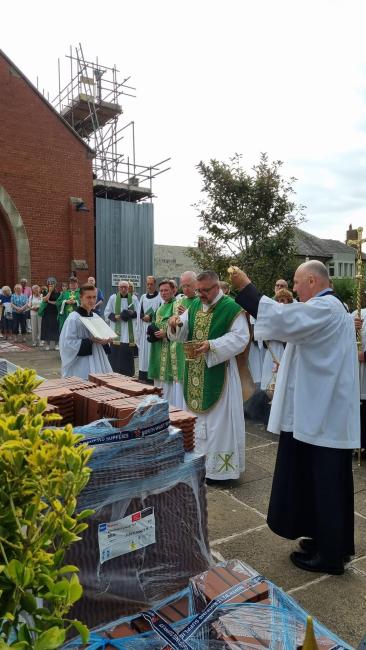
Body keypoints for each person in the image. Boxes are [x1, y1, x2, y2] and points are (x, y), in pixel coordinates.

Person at [231, 260, 360, 575]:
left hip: (322, 416)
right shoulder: (331, 309)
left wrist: (246, 288)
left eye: (298, 282)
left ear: (313, 281)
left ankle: (330, 557)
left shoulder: (325, 308)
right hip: (319, 413)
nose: (295, 287)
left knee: (327, 485)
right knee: (323, 483)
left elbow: (281, 317)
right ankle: (328, 542)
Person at [168, 270, 250, 480]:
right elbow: (183, 329)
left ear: (216, 288)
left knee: (217, 424)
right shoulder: (194, 304)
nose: (200, 294)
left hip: (219, 372)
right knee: (196, 421)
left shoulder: (231, 308)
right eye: (198, 290)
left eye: (204, 291)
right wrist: (175, 324)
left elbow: (241, 338)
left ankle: (218, 472)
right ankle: (198, 464)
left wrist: (212, 346)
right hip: (195, 371)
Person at [60, 283, 113, 380]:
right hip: (81, 364)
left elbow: (103, 336)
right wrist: (90, 340)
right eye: (88, 297)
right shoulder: (73, 318)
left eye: (94, 297)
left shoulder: (96, 317)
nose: (92, 300)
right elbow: (67, 344)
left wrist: (106, 340)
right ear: (81, 297)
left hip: (99, 360)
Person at [148, 279, 185, 407]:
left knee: (169, 386)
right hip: (158, 348)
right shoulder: (161, 307)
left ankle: (171, 409)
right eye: (161, 291)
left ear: (173, 291)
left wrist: (167, 333)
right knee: (159, 384)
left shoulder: (178, 304)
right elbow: (157, 323)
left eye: (166, 290)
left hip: (170, 348)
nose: (163, 293)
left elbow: (181, 324)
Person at [260, 288, 293, 392]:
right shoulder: (271, 316)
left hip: (285, 350)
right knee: (269, 378)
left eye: (282, 300)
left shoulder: (292, 316)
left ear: (289, 301)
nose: (279, 303)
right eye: (277, 300)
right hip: (271, 350)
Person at [104, 280, 139, 376]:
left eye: (125, 287)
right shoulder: (113, 298)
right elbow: (107, 313)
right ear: (118, 288)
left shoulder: (134, 299)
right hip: (116, 332)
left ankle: (128, 374)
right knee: (115, 354)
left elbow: (139, 313)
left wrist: (131, 314)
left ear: (128, 288)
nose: (123, 289)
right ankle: (114, 373)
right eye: (121, 287)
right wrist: (115, 317)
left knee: (127, 354)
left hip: (128, 333)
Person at [136, 276, 162, 382]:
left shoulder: (159, 297)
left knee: (152, 352)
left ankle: (152, 377)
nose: (149, 286)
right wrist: (143, 316)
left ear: (155, 284)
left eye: (151, 284)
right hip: (144, 329)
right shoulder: (143, 297)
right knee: (143, 353)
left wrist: (150, 317)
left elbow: (161, 310)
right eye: (148, 284)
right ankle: (143, 376)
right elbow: (139, 312)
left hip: (153, 328)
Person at [40, 278, 60, 351]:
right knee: (47, 328)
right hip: (47, 313)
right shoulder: (45, 292)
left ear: (55, 285)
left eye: (52, 284)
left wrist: (50, 302)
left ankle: (56, 344)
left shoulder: (58, 293)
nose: (50, 286)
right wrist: (50, 292)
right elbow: (45, 300)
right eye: (49, 285)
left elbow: (58, 303)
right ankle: (47, 344)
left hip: (55, 313)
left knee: (55, 329)